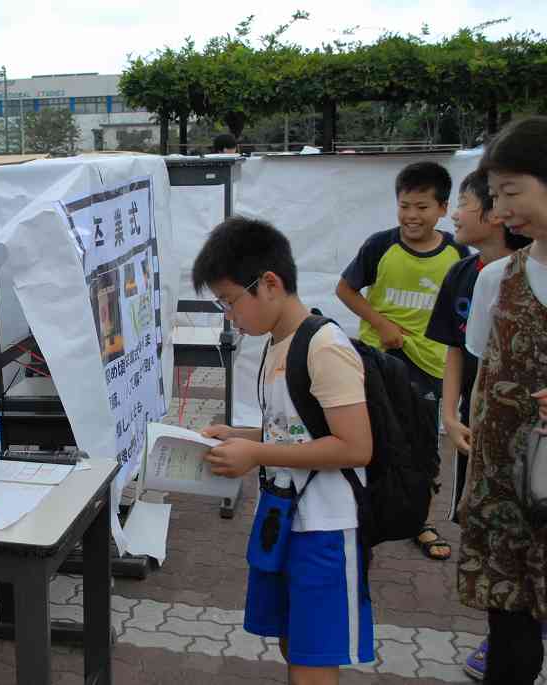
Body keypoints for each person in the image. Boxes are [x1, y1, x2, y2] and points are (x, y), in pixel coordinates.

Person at [194, 216, 374, 683]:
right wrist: (241, 437)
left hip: (326, 528)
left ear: (269, 283)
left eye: (230, 301)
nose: (229, 315)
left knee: (315, 655)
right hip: (286, 517)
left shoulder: (324, 345)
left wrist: (257, 455)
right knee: (293, 638)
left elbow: (355, 446)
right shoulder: (277, 341)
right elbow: (293, 433)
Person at [425, 170, 530, 680]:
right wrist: (452, 414)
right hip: (498, 453)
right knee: (504, 588)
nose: (452, 215)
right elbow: (468, 359)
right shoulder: (481, 277)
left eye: (511, 194)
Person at [336, 161, 468, 561]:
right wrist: (381, 323)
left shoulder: (458, 256)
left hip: (431, 367)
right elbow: (345, 290)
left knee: (422, 448)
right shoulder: (381, 245)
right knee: (368, 438)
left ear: (442, 208)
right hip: (378, 362)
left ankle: (418, 521)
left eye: (422, 207)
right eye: (404, 206)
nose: (411, 216)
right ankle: (361, 512)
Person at [458, 115, 547, 684]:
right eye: (494, 196)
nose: (501, 209)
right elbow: (480, 380)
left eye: (512, 192)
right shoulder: (497, 278)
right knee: (510, 633)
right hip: (506, 494)